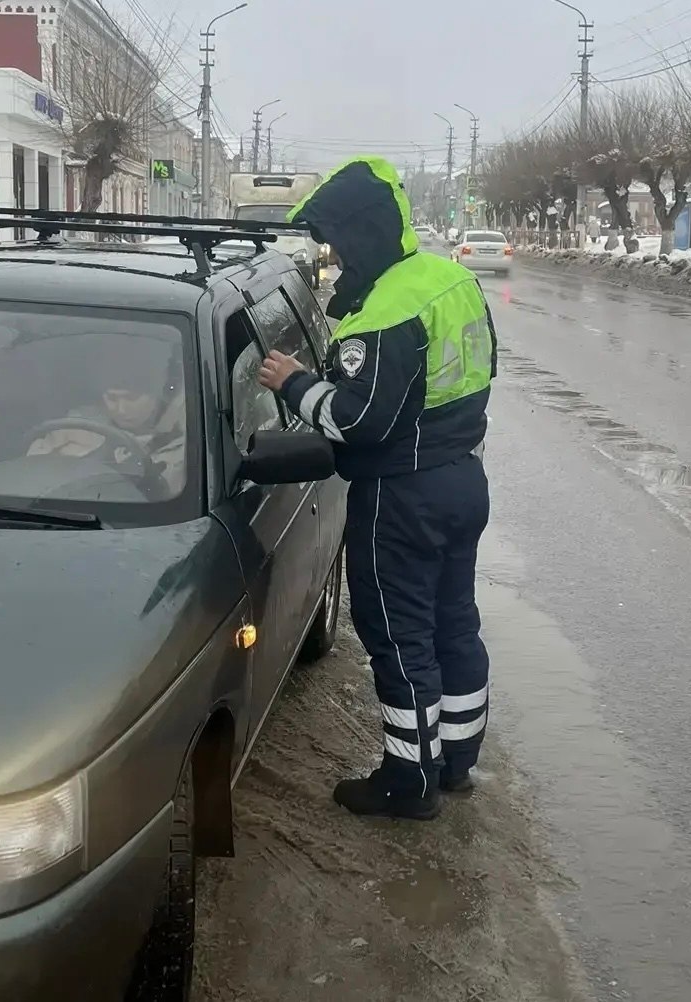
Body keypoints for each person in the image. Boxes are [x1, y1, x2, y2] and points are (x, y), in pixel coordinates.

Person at [257, 155, 497, 821]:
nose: (333, 253)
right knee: (453, 623)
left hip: (402, 496)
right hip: (462, 481)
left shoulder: (386, 311)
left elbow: (360, 422)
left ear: (361, 233)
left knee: (398, 636)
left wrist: (294, 384)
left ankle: (407, 782)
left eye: (336, 238)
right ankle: (455, 763)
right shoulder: (452, 282)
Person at [27, 355, 186, 496]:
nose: (121, 409)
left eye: (131, 398)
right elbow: (33, 474)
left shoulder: (183, 440)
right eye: (112, 398)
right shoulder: (77, 426)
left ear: (156, 394)